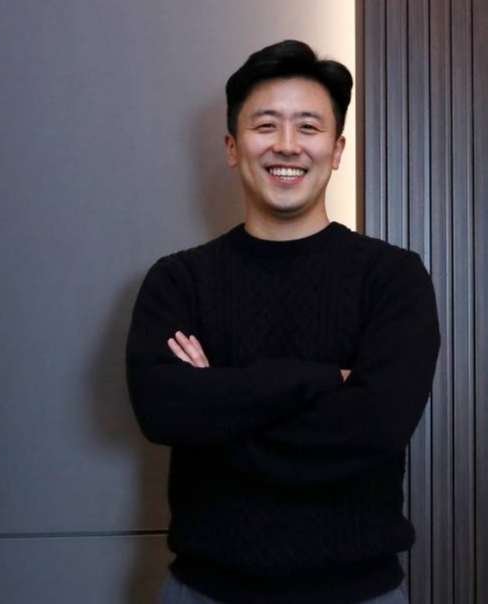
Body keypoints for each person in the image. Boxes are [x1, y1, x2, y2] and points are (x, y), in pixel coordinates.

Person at [126, 40, 440, 604]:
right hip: (204, 591)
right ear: (231, 146)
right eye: (266, 125)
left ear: (337, 150)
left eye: (308, 127)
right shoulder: (179, 281)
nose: (287, 145)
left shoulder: (392, 277)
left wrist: (218, 404)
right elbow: (164, 411)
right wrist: (320, 381)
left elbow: (374, 429)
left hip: (360, 594)